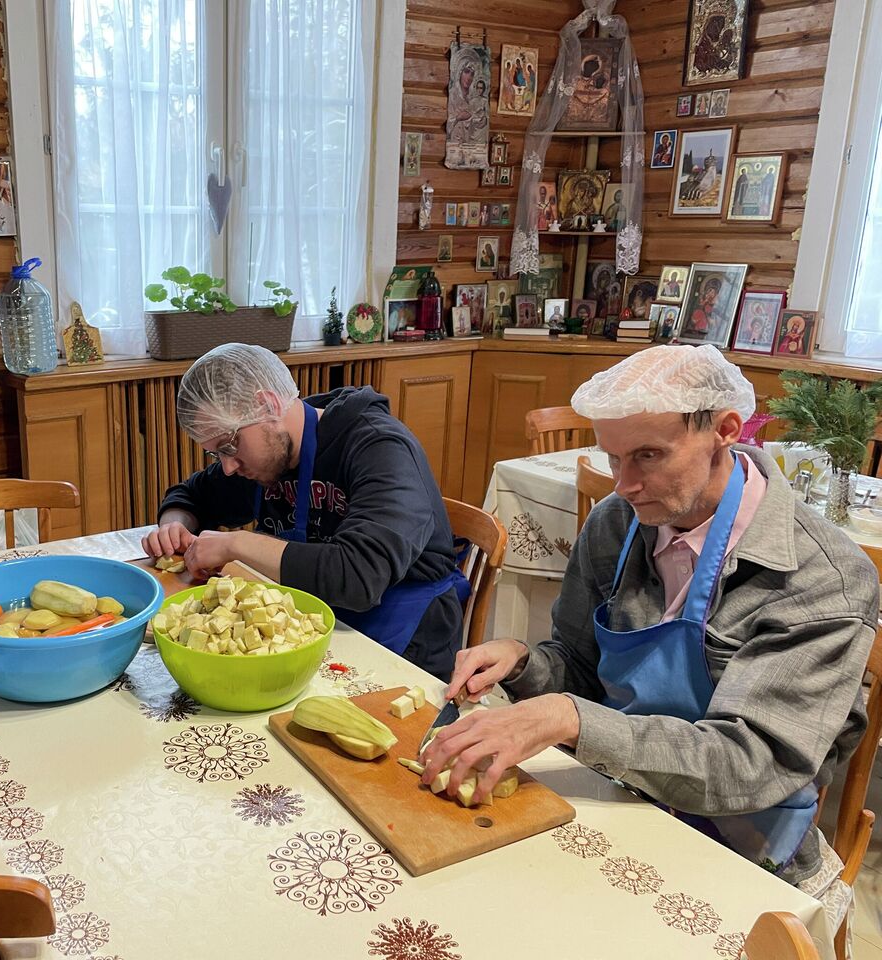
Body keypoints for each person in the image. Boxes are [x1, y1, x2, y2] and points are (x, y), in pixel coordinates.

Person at [423, 345, 872, 929]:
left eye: (649, 455)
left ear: (725, 431)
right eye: (612, 458)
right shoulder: (616, 524)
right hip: (620, 797)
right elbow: (581, 667)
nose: (626, 485)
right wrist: (523, 662)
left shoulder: (818, 578)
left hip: (744, 850)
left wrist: (571, 718)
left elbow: (752, 764)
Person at [142, 344, 467, 677]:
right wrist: (174, 526)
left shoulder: (380, 448)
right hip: (309, 627)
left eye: (228, 446)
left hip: (405, 643)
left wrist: (235, 544)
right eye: (215, 454)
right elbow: (191, 495)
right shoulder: (265, 451)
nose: (227, 467)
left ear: (267, 405)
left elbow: (358, 578)